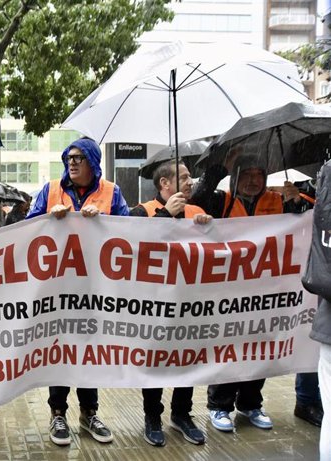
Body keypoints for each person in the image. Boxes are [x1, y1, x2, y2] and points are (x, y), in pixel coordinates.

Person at [27, 137, 129, 446]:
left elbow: (130, 231)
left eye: (79, 158)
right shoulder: (49, 191)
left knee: (88, 352)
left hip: (95, 288)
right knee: (59, 349)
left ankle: (89, 413)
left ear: (93, 162)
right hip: (58, 288)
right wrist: (47, 218)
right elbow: (26, 229)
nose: (72, 163)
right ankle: (58, 413)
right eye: (69, 158)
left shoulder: (112, 193)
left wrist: (105, 223)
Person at [191, 152, 304, 433]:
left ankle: (251, 403)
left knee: (260, 349)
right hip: (226, 294)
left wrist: (297, 203)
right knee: (227, 350)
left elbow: (305, 227)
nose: (253, 181)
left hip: (266, 294)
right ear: (236, 178)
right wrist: (220, 166)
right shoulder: (219, 201)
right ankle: (220, 406)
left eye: (258, 175)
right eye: (246, 175)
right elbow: (196, 198)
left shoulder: (279, 202)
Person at [130, 160, 210, 447]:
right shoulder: (142, 211)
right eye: (184, 178)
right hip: (154, 303)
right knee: (154, 360)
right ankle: (152, 417)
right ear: (165, 184)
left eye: (190, 178)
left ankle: (182, 414)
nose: (190, 182)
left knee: (186, 358)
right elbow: (131, 243)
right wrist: (166, 214)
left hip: (188, 302)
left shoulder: (197, 212)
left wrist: (205, 228)